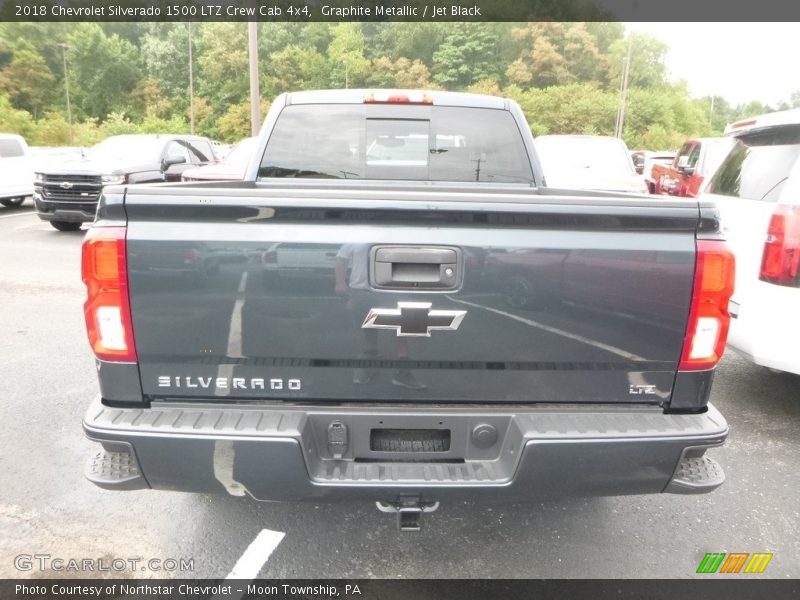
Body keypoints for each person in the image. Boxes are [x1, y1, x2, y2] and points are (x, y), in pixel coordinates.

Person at [335, 243, 426, 390]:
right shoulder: (357, 236)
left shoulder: (399, 235)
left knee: (402, 330)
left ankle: (403, 371)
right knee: (365, 328)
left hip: (395, 289)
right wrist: (340, 282)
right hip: (361, 290)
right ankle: (369, 363)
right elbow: (342, 259)